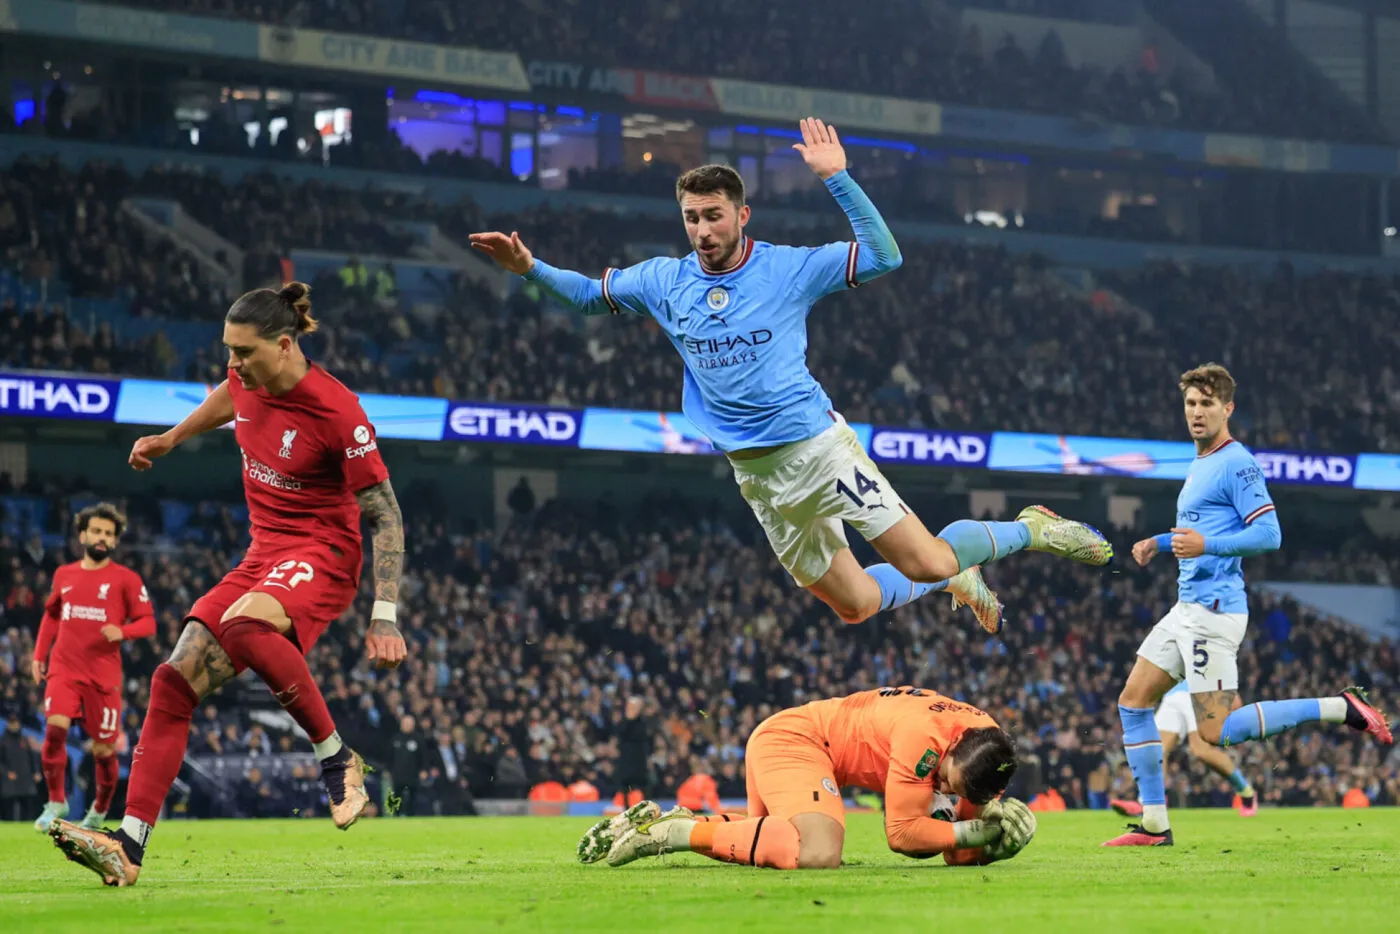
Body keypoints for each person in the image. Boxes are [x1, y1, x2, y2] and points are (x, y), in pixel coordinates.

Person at [470, 118, 1112, 636]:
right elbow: (586, 295)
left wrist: (839, 179)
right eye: (692, 217)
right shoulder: (664, 281)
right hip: (757, 475)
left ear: (742, 215)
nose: (702, 230)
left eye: (714, 215)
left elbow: (885, 255)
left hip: (818, 450)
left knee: (928, 557)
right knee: (856, 604)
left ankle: (1031, 527)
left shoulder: (790, 269)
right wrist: (529, 266)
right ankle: (954, 581)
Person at [48, 281, 408, 886]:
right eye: (229, 349)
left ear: (286, 345)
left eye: (243, 351)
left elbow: (386, 512)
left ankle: (338, 758)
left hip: (323, 553)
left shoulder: (336, 410)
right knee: (172, 679)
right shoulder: (246, 379)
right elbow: (228, 398)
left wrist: (385, 612)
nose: (232, 363)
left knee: (243, 625)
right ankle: (129, 845)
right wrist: (171, 438)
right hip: (262, 554)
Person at [1105, 364, 1392, 847]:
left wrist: (1206, 548)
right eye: (1191, 404)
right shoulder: (1201, 462)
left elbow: (1268, 534)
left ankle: (1339, 707)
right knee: (1133, 701)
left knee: (1215, 735)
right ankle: (1154, 825)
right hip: (1188, 608)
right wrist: (1158, 541)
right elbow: (1200, 530)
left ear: (1227, 409)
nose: (1197, 413)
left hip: (1214, 613)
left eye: (1207, 404)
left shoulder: (1238, 463)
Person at [577, 686, 1037, 870]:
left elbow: (957, 856)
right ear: (952, 747)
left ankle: (665, 819)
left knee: (776, 841)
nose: (942, 790)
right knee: (817, 852)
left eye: (953, 793)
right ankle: (667, 833)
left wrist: (998, 845)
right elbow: (902, 835)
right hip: (796, 740)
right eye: (945, 782)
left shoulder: (986, 756)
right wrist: (976, 828)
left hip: (808, 748)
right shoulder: (925, 739)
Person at [31, 503, 155, 831]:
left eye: (109, 534)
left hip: (103, 676)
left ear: (115, 542)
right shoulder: (64, 575)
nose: (102, 538)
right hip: (64, 668)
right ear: (82, 534)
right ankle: (56, 800)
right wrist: (38, 656)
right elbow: (52, 615)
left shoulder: (126, 579)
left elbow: (148, 622)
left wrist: (123, 631)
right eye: (97, 531)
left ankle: (99, 809)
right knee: (55, 729)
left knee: (103, 752)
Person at [1110, 682, 1257, 818]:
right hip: (1172, 694)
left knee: (1201, 750)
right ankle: (1149, 804)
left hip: (1200, 692)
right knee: (1155, 748)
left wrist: (1229, 689)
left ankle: (1246, 792)